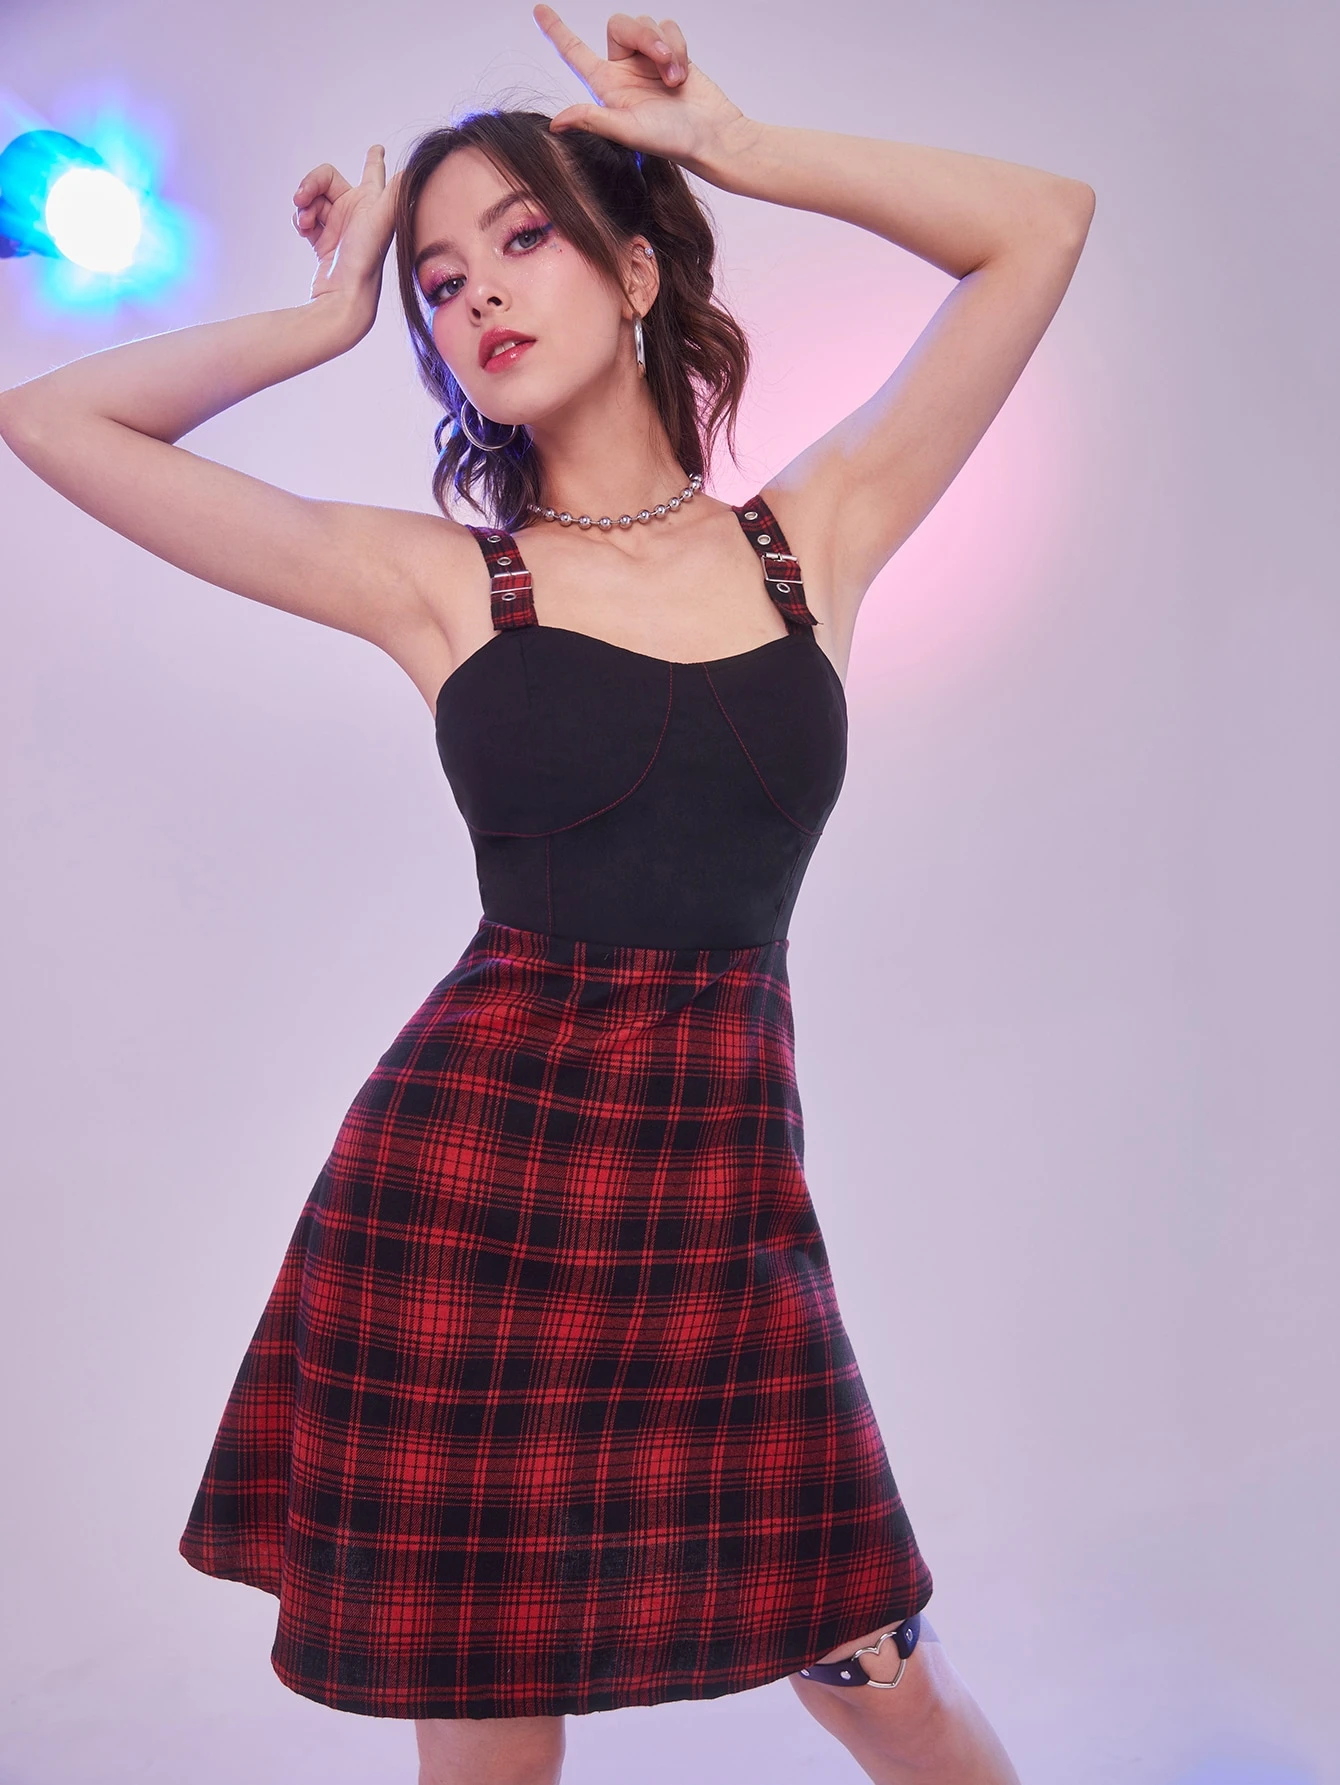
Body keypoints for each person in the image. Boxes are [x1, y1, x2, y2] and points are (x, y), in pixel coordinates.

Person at [0, 7, 1093, 1782]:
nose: (478, 296)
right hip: (466, 1212)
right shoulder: (443, 582)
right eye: (439, 283)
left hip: (723, 1221)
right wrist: (324, 314)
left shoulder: (808, 538)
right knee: (496, 1745)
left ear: (635, 270)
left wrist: (737, 146)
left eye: (522, 240)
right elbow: (52, 417)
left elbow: (1040, 225)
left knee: (882, 1673)